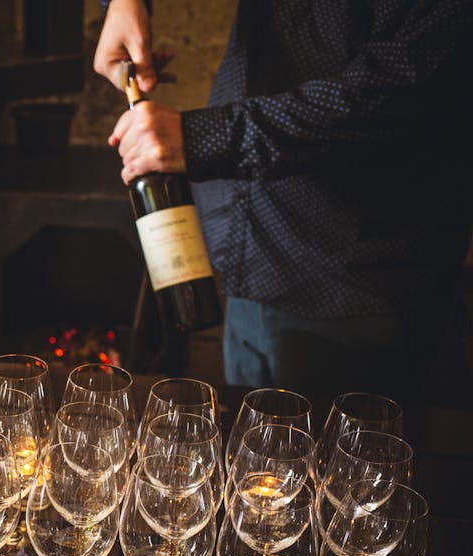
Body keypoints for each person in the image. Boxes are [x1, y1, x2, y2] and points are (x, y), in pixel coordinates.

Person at [96, 0, 473, 401]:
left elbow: (401, 92)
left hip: (355, 286)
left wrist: (205, 138)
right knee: (248, 450)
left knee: (342, 459)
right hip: (251, 261)